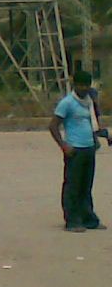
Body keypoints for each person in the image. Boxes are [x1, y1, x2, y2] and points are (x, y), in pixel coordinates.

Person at [49, 71, 109, 233]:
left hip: (89, 148)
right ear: (75, 85)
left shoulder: (90, 102)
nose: (84, 88)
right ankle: (72, 220)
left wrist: (101, 138)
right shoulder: (67, 103)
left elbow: (94, 124)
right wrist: (63, 145)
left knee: (86, 186)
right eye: (81, 85)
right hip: (74, 150)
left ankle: (88, 219)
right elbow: (53, 126)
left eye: (86, 85)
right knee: (73, 186)